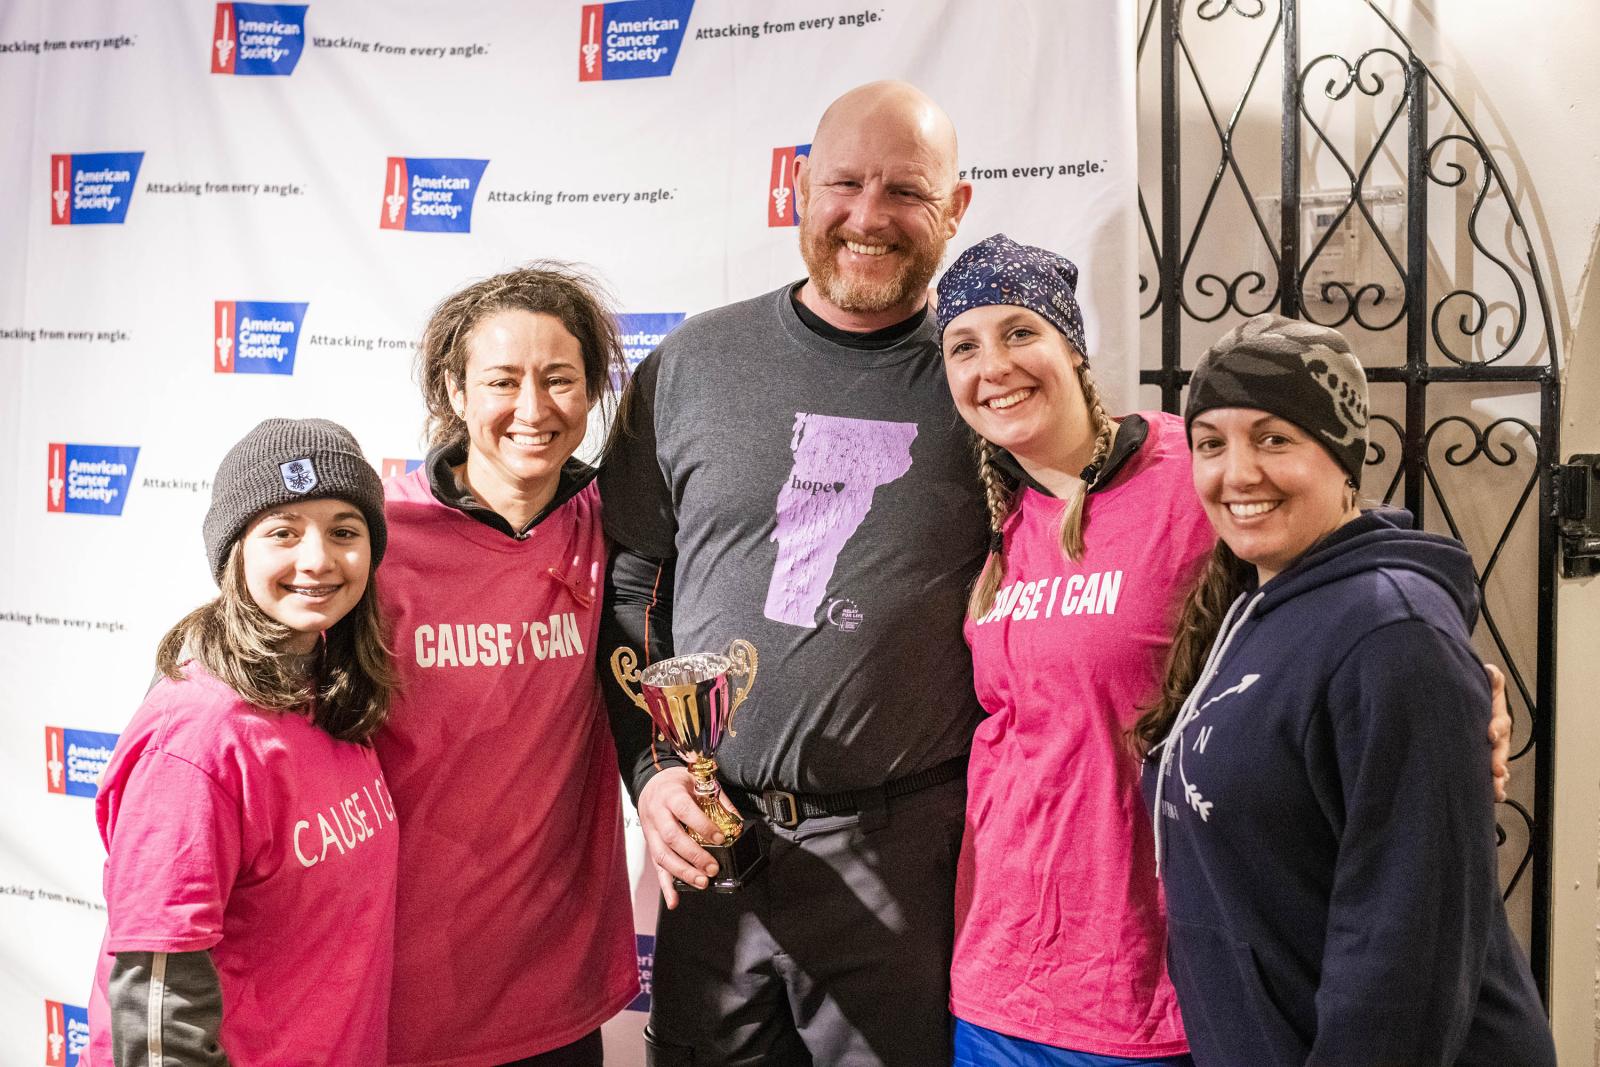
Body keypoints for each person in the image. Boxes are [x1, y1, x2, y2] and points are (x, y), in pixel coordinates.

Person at [599, 80, 982, 1066]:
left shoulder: (992, 383)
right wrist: (648, 770)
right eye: (844, 183)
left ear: (957, 207)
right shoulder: (688, 363)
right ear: (798, 188)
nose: (867, 215)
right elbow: (634, 576)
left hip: (904, 854)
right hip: (712, 851)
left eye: (904, 190)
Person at [1141, 314, 1555, 1065]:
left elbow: (1405, 951)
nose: (1237, 473)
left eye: (1274, 438)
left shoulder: (1391, 634)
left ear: (1343, 459)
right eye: (1212, 443)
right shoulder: (1253, 604)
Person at [935, 234, 1208, 1066]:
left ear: (1073, 348)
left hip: (1150, 986)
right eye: (964, 347)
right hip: (1000, 976)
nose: (995, 366)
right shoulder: (983, 517)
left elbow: (1343, 565)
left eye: (1021, 332)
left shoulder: (1186, 469)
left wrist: (1447, 676)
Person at [376, 263, 636, 1066]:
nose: (533, 410)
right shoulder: (375, 541)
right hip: (398, 994)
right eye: (502, 381)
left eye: (559, 379)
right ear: (455, 391)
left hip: (554, 996)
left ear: (591, 393)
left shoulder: (615, 527)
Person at [82, 418, 399, 1066]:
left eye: (344, 530)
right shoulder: (197, 740)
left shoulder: (330, 688)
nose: (317, 558)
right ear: (236, 552)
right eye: (283, 531)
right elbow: (158, 1025)